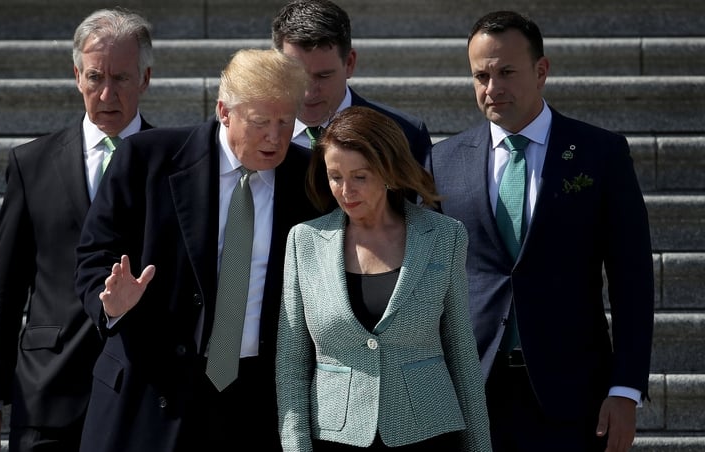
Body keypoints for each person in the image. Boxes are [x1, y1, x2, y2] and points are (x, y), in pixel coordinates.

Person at [429, 10, 655, 452]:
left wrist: (626, 389)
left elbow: (632, 279)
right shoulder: (443, 161)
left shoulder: (600, 153)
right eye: (480, 75)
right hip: (471, 395)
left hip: (573, 398)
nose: (492, 88)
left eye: (506, 72)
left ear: (541, 70)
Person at [74, 48, 315, 452]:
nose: (275, 138)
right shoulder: (148, 159)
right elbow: (93, 255)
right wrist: (112, 304)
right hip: (151, 396)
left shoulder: (309, 177)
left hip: (256, 402)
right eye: (260, 123)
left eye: (285, 122)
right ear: (224, 111)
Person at [0, 7, 153, 452]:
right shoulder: (31, 164)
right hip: (47, 392)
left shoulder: (174, 164)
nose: (107, 93)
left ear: (145, 78)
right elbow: (6, 287)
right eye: (95, 77)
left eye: (122, 79)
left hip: (140, 392)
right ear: (76, 75)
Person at [276, 106, 492, 451]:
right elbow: (292, 363)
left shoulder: (444, 236)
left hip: (429, 432)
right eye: (336, 177)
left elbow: (461, 350)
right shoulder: (304, 241)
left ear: (388, 172)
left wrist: (480, 445)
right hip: (335, 435)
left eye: (360, 177)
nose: (346, 190)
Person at [271, 0, 432, 167]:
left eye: (323, 75)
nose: (308, 93)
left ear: (349, 63)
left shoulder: (406, 134)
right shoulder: (253, 136)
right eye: (296, 76)